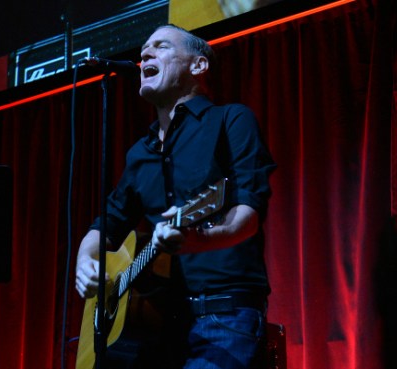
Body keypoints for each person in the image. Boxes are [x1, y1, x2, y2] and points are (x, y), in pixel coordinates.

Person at [75, 24, 276, 369]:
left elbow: (248, 216)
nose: (145, 54)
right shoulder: (141, 153)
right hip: (159, 326)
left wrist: (197, 240)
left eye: (161, 46)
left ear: (198, 66)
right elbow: (105, 225)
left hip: (222, 313)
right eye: (144, 50)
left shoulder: (231, 121)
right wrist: (85, 261)